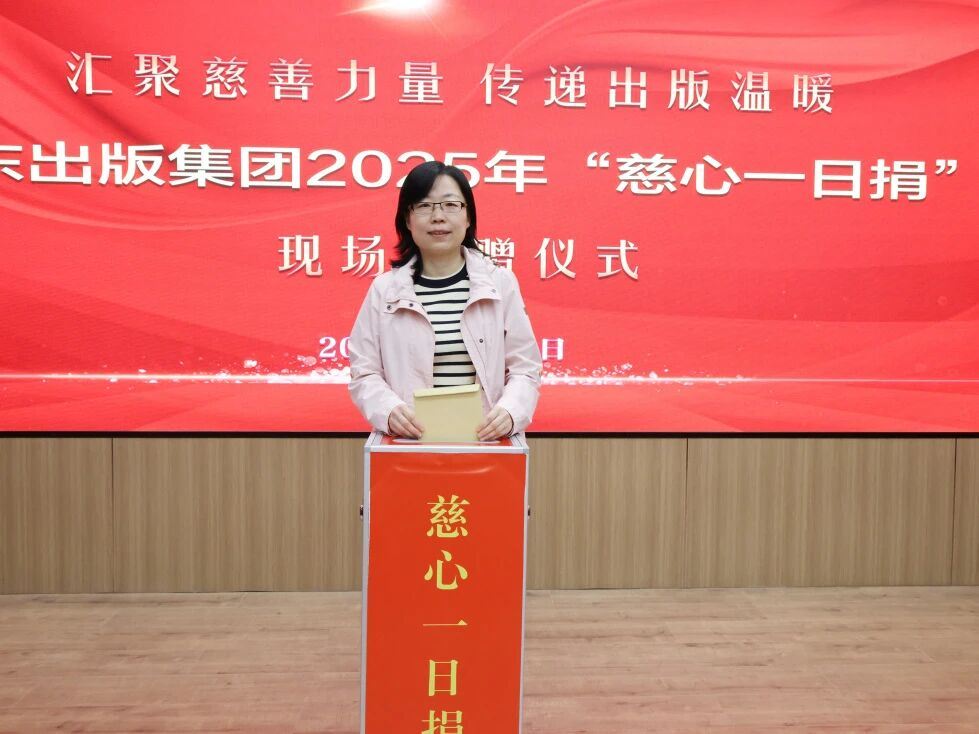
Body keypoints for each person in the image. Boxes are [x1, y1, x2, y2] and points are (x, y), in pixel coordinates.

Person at [348, 160, 542, 440]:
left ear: (468, 217)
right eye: (424, 206)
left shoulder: (499, 284)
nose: (438, 216)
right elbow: (364, 372)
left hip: (484, 442)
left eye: (451, 205)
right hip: (411, 443)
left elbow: (525, 368)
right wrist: (388, 410)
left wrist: (510, 412)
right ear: (407, 220)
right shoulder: (385, 290)